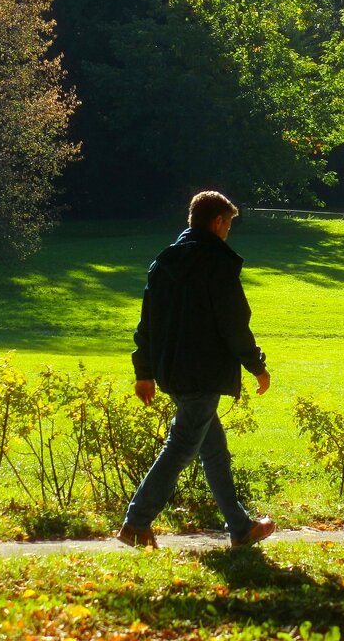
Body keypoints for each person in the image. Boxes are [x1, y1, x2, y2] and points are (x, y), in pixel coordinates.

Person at [117, 191, 275, 549]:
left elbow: (147, 323)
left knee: (213, 449)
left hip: (171, 371)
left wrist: (144, 371)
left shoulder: (164, 262)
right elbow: (234, 324)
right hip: (203, 370)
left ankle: (240, 527)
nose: (228, 232)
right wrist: (257, 366)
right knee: (182, 446)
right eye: (228, 224)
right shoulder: (217, 263)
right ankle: (136, 523)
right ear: (217, 222)